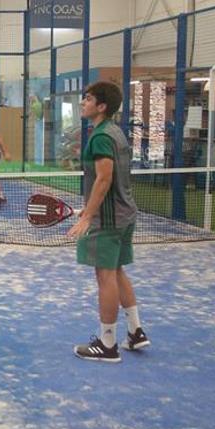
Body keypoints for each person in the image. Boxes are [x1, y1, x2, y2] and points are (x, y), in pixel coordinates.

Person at [67, 81, 150, 363]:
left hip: (109, 218)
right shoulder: (116, 132)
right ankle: (136, 331)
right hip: (125, 213)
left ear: (101, 106)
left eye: (87, 98)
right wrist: (89, 208)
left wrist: (89, 215)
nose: (83, 102)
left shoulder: (101, 136)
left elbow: (104, 178)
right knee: (116, 271)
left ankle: (107, 344)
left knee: (105, 276)